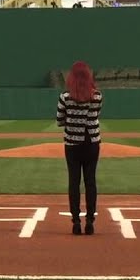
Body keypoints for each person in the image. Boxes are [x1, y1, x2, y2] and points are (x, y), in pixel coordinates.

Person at [56, 61, 103, 235]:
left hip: (72, 144)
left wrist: (72, 120)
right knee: (90, 181)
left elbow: (60, 120)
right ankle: (90, 221)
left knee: (73, 182)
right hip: (91, 142)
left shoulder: (65, 97)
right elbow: (95, 115)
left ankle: (76, 222)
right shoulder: (97, 96)